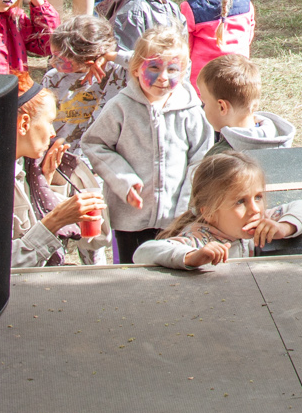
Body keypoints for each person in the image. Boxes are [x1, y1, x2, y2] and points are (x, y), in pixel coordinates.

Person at [81, 26, 215, 263]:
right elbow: (94, 143)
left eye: (172, 69)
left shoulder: (191, 111)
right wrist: (124, 181)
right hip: (131, 218)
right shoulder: (121, 107)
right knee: (133, 273)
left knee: (172, 271)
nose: (163, 77)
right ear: (135, 69)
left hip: (176, 218)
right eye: (154, 67)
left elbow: (201, 158)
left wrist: (187, 205)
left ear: (183, 73)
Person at [131, 151, 302, 269]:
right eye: (240, 201)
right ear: (209, 212)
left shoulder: (258, 221)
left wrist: (283, 227)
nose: (255, 209)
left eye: (258, 197)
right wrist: (191, 257)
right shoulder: (200, 239)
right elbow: (142, 253)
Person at [12, 75, 111, 268]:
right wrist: (56, 220)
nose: (52, 133)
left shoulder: (27, 168)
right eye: (49, 122)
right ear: (24, 124)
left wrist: (47, 182)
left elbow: (95, 240)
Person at [42, 15, 126, 149]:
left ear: (86, 60)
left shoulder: (119, 73)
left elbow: (154, 62)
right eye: (52, 56)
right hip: (62, 154)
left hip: (102, 156)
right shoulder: (52, 78)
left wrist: (110, 56)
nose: (52, 62)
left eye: (59, 60)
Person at [198, 53, 298, 153]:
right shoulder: (277, 137)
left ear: (222, 107)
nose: (202, 108)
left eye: (204, 103)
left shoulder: (218, 157)